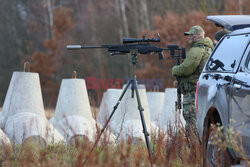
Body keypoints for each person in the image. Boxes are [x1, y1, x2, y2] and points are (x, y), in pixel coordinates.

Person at [172, 25, 213, 132]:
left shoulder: (197, 49)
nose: (188, 37)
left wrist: (175, 69)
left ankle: (194, 146)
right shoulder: (208, 48)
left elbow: (186, 69)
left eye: (191, 35)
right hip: (201, 90)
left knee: (191, 120)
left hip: (192, 91)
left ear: (197, 36)